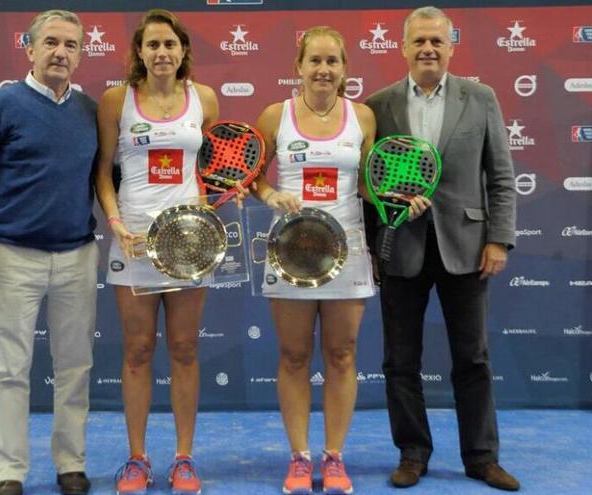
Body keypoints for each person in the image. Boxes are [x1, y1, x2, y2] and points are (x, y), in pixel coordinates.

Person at [252, 26, 426, 495]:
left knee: (342, 355)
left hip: (347, 250)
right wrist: (270, 193)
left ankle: (333, 457)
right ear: (299, 67)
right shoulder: (275, 116)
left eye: (333, 61)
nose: (323, 70)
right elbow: (252, 176)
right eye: (315, 61)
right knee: (293, 356)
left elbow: (369, 185)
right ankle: (298, 457)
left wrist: (396, 199)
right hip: (289, 249)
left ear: (345, 69)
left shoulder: (363, 118)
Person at [362, 6, 520, 491]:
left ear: (451, 46)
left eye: (437, 41)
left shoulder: (482, 98)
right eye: (419, 42)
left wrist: (498, 238)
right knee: (400, 361)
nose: (427, 49)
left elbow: (501, 175)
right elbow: (368, 182)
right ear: (403, 47)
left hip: (468, 247)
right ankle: (412, 453)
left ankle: (481, 457)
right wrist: (373, 248)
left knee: (472, 358)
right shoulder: (378, 104)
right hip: (400, 247)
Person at [0, 10, 97, 495]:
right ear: (29, 48)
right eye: (51, 42)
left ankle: (70, 463)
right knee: (8, 372)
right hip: (12, 257)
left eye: (71, 45)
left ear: (80, 53)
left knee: (75, 368)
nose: (61, 53)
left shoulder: (91, 111)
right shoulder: (1, 103)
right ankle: (9, 473)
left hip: (77, 256)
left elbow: (110, 180)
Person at [94, 9, 221, 495]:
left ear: (183, 50)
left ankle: (184, 459)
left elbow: (209, 169)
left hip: (189, 243)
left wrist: (203, 215)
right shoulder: (115, 101)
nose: (162, 53)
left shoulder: (203, 99)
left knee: (185, 350)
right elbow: (104, 171)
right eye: (153, 45)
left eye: (170, 45)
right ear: (140, 53)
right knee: (138, 352)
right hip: (134, 242)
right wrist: (117, 222)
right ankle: (137, 459)